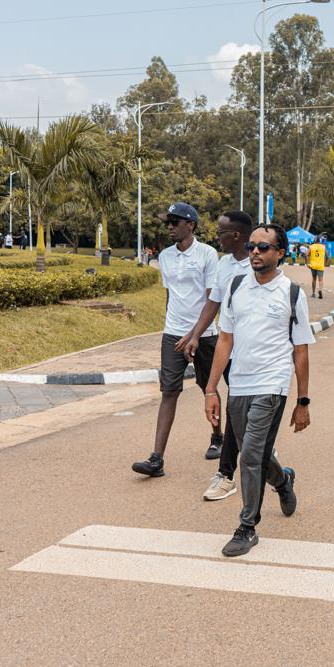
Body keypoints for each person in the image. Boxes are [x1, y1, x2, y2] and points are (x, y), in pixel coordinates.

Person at [205, 223, 314, 557]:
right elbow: (225, 340)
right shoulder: (236, 287)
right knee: (255, 453)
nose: (254, 251)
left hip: (273, 384)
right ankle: (283, 481)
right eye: (252, 246)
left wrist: (303, 401)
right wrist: (211, 389)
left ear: (280, 252)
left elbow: (301, 350)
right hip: (239, 383)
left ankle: (247, 527)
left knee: (250, 454)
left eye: (263, 247)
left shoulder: (292, 294)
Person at [178, 211, 296, 510]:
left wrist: (303, 397)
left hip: (265, 365)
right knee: (238, 417)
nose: (217, 236)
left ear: (237, 235)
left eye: (222, 232)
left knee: (247, 431)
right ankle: (273, 474)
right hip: (230, 351)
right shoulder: (225, 265)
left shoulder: (267, 270)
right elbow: (213, 303)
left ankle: (226, 474)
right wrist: (196, 334)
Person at [131, 202, 221, 478]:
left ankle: (218, 436)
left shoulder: (208, 254)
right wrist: (173, 327)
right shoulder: (166, 256)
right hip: (173, 334)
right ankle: (156, 459)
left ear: (191, 224)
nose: (169, 226)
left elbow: (212, 300)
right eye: (167, 222)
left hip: (205, 335)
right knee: (169, 392)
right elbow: (171, 295)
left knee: (208, 387)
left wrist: (194, 334)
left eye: (175, 221)